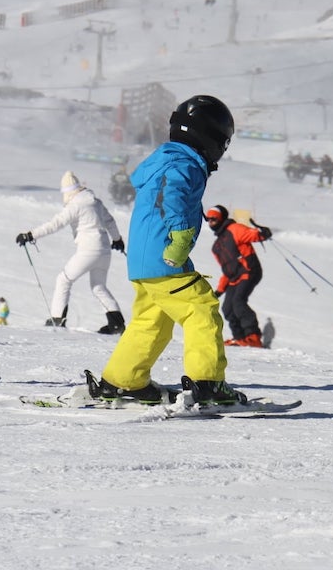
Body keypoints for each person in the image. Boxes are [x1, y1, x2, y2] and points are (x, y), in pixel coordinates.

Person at [91, 95, 248, 406]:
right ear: (209, 135)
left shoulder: (169, 158)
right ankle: (208, 383)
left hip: (146, 259)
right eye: (223, 142)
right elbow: (172, 193)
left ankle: (123, 381)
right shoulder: (182, 163)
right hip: (165, 256)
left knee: (153, 321)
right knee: (201, 308)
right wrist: (179, 236)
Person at [15, 170, 127, 334]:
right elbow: (110, 221)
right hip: (104, 250)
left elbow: (55, 224)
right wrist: (117, 239)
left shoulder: (75, 205)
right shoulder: (95, 202)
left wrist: (30, 235)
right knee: (98, 287)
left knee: (63, 279)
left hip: (89, 250)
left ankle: (57, 318)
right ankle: (116, 323)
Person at [207, 205, 272, 348]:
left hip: (249, 270)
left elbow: (252, 234)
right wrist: (219, 290)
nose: (210, 221)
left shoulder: (234, 229)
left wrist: (263, 233)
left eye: (214, 218)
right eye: (208, 219)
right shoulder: (216, 246)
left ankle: (253, 336)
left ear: (222, 218)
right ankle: (240, 338)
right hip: (234, 278)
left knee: (238, 301)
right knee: (227, 308)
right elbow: (227, 270)